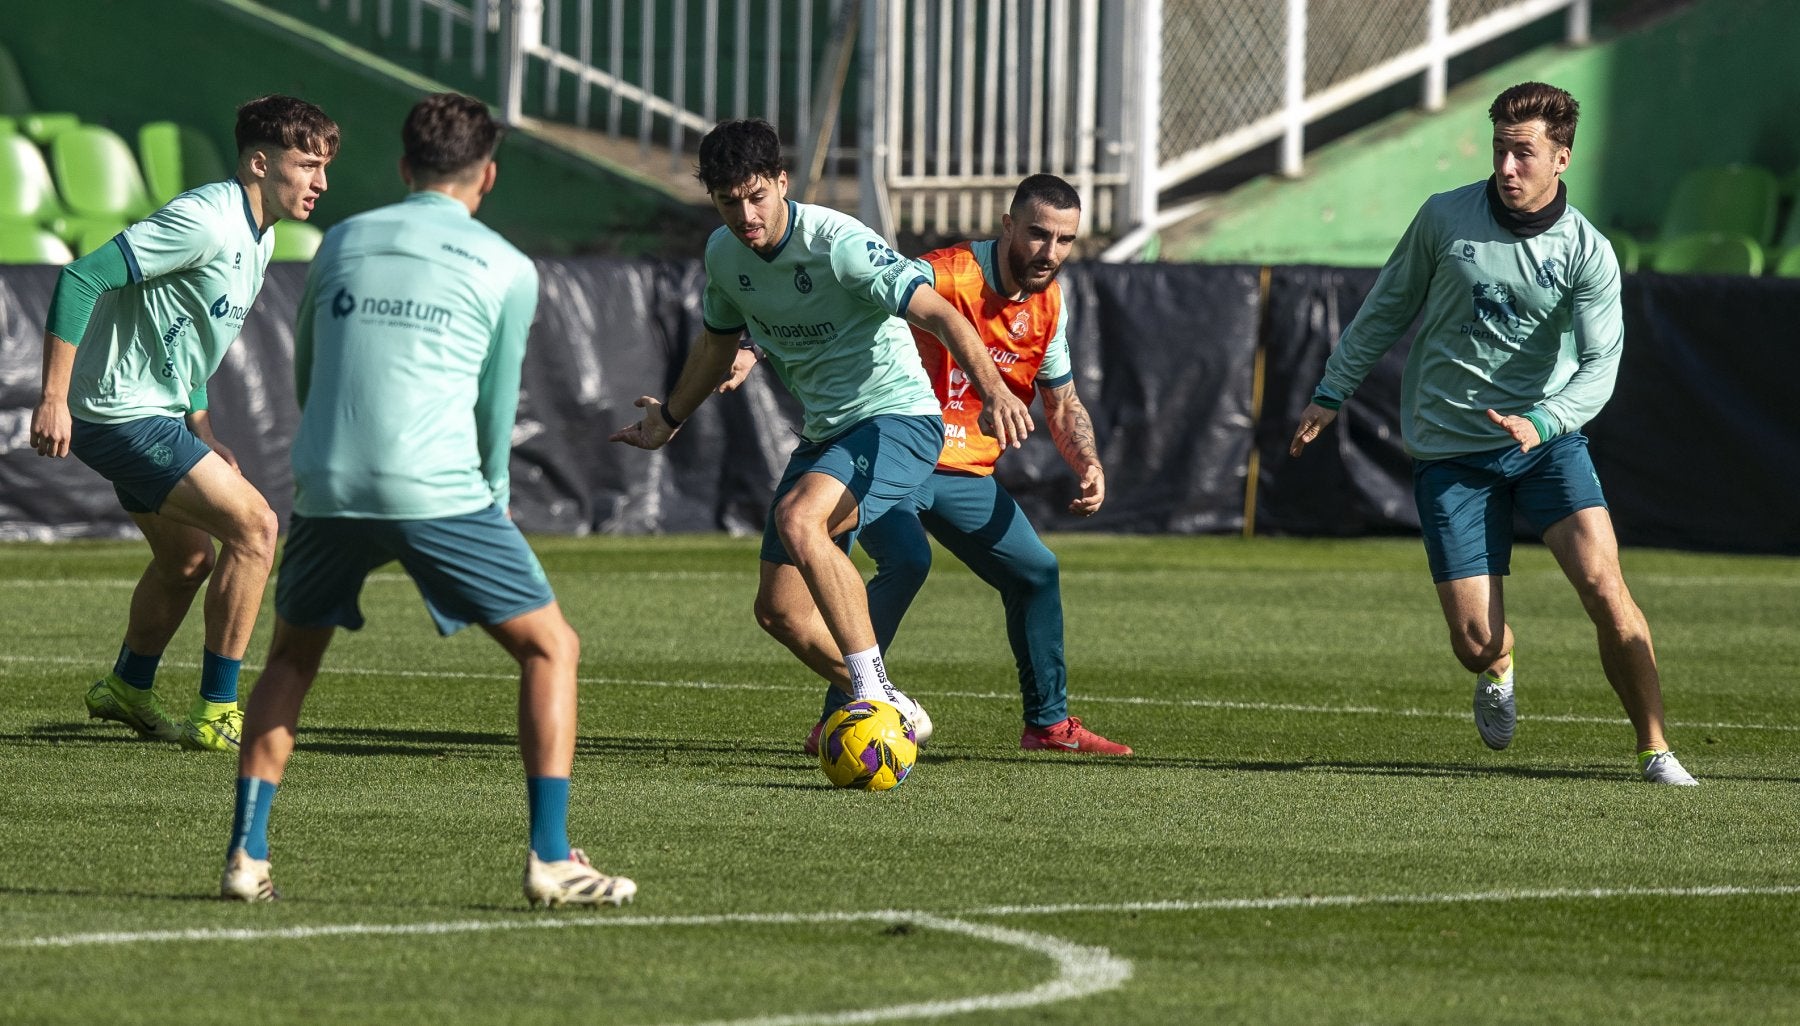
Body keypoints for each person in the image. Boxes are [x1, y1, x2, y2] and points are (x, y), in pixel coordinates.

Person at [220, 92, 635, 907]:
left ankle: (246, 854)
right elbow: (495, 408)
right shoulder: (510, 267)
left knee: (292, 661)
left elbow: (311, 370)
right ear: (488, 176)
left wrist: (323, 468)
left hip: (327, 480)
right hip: (437, 489)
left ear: (405, 168)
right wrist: (495, 503)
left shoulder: (339, 239)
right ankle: (551, 857)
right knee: (551, 647)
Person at [1288, 81, 1696, 786]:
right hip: (1450, 451)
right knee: (1474, 643)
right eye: (1501, 150)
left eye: (1524, 154)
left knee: (1605, 588)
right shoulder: (1444, 218)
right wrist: (1332, 390)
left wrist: (1542, 422)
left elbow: (1601, 367)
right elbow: (1386, 307)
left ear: (1561, 157)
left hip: (1545, 442)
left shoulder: (1587, 251)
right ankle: (1499, 664)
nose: (1507, 168)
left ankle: (1655, 749)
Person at [611, 118, 1034, 750]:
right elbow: (714, 347)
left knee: (799, 519)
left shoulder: (838, 242)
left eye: (757, 196)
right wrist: (669, 419)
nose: (746, 214)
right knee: (778, 613)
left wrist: (994, 390)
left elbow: (941, 313)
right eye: (729, 201)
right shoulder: (724, 256)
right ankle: (896, 708)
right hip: (828, 435)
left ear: (782, 183)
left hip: (900, 419)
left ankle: (867, 699)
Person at [741, 174, 1130, 756]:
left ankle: (1047, 726)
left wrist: (1088, 461)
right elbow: (843, 299)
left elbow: (1062, 398)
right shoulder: (946, 271)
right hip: (897, 446)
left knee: (1037, 572)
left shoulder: (1050, 304)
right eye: (1037, 234)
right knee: (906, 560)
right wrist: (751, 346)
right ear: (1007, 227)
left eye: (1065, 240)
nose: (1049, 252)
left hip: (963, 474)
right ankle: (847, 713)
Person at [29, 95, 338, 753]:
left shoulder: (263, 234)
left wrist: (201, 427)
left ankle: (126, 688)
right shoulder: (205, 219)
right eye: (308, 165)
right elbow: (82, 278)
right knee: (256, 530)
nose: (321, 183)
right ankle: (218, 713)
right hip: (120, 412)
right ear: (260, 162)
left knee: (187, 559)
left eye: (324, 168)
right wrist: (52, 397)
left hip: (148, 412)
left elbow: (186, 332)